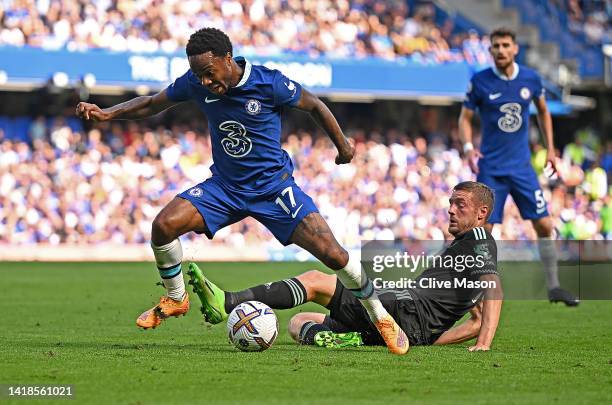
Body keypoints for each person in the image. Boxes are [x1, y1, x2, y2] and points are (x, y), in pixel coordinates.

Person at [75, 27, 408, 354]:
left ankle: (380, 317)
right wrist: (109, 114)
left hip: (273, 188)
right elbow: (152, 103)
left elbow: (315, 105)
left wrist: (343, 147)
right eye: (198, 75)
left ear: (227, 59)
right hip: (225, 187)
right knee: (163, 226)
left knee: (334, 254)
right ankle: (176, 298)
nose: (204, 81)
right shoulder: (196, 83)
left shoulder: (269, 83)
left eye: (208, 72)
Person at [189, 181, 503, 351]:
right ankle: (357, 338)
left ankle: (227, 301)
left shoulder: (477, 237)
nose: (450, 209)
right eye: (450, 202)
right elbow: (474, 321)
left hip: (403, 309)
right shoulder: (468, 247)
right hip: (408, 324)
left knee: (315, 281)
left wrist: (485, 344)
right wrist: (425, 340)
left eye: (459, 204)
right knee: (300, 323)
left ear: (481, 214)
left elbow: (494, 287)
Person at [458, 27, 579, 306]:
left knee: (545, 224)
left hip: (522, 168)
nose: (500, 50)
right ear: (490, 51)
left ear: (515, 49)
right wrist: (467, 147)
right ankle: (477, 292)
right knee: (483, 231)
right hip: (490, 169)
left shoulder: (531, 79)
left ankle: (554, 286)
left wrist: (551, 149)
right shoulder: (480, 82)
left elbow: (544, 112)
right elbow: (464, 118)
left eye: (505, 45)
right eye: (495, 46)